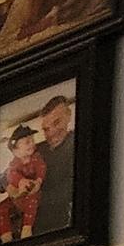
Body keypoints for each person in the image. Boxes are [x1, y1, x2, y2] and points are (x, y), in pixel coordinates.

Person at [0, 123, 47, 242]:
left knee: (31, 201)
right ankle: (5, 235)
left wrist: (38, 182)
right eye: (27, 142)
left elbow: (41, 169)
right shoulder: (14, 163)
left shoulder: (37, 158)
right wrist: (20, 182)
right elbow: (10, 174)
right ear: (16, 151)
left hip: (31, 191)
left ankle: (27, 229)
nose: (32, 144)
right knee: (1, 208)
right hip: (17, 195)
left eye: (32, 141)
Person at [33, 93, 77, 232]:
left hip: (62, 226)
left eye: (56, 123)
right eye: (46, 129)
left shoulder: (78, 145)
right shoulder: (37, 150)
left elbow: (71, 189)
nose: (51, 132)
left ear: (68, 116)